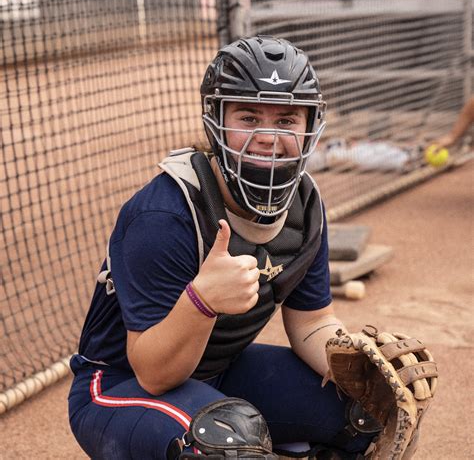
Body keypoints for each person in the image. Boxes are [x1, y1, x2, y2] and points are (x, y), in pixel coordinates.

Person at [68, 36, 377, 459]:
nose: (268, 136)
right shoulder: (165, 213)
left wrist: (354, 363)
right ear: (215, 120)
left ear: (309, 126)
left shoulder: (304, 204)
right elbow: (153, 373)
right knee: (222, 444)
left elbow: (311, 321)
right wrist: (202, 301)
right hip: (121, 389)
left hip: (221, 372)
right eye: (249, 118)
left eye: (286, 120)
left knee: (369, 410)